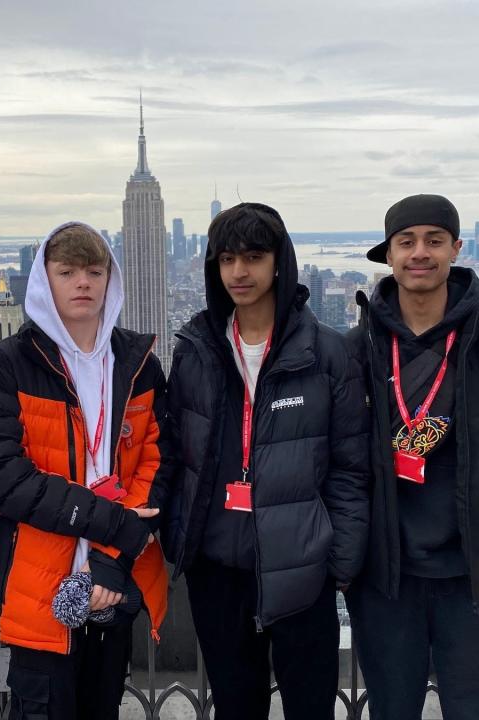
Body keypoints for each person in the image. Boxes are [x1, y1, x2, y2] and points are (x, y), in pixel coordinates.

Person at [161, 202, 370, 720]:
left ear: (279, 262)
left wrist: (338, 561)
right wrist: (183, 540)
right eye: (227, 258)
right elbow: (175, 453)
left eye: (253, 257)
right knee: (235, 708)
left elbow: (350, 467)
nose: (238, 272)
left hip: (303, 571)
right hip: (218, 571)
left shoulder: (326, 353)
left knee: (310, 708)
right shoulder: (197, 349)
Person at [345, 194, 479, 720]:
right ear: (387, 255)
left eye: (434, 241)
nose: (420, 253)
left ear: (457, 249)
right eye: (406, 242)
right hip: (386, 580)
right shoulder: (356, 350)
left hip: (478, 580)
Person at [0, 221, 170, 720]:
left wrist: (107, 562)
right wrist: (110, 522)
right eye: (67, 272)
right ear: (45, 280)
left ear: (110, 280)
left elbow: (158, 461)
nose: (83, 283)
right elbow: (5, 481)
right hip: (37, 587)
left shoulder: (139, 362)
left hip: (115, 580)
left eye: (94, 271)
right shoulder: (8, 364)